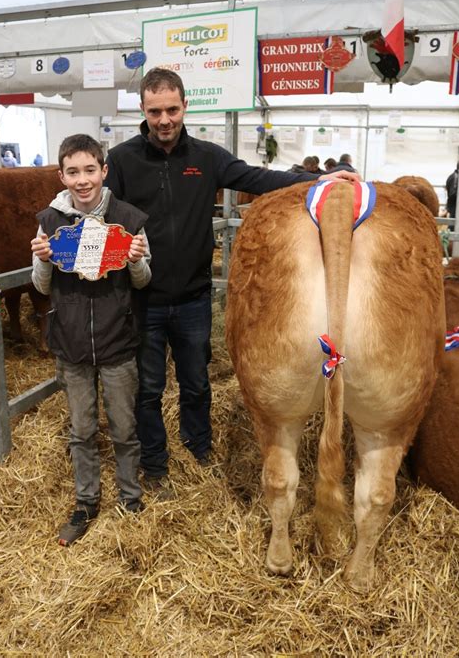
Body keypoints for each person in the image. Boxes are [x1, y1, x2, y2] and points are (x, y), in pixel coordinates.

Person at [105, 67, 359, 495]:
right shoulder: (123, 161)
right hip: (142, 297)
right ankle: (156, 464)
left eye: (171, 109)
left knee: (196, 380)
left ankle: (198, 449)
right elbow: (98, 207)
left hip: (192, 298)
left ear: (185, 107)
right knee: (147, 387)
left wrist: (316, 179)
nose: (164, 119)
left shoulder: (206, 157)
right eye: (154, 111)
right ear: (142, 111)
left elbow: (259, 178)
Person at [31, 134, 152, 545]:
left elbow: (143, 279)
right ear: (61, 175)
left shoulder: (129, 219)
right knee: (81, 429)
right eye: (72, 172)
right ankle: (86, 501)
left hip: (118, 340)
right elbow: (40, 285)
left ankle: (130, 498)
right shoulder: (49, 222)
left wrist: (135, 261)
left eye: (89, 170)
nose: (82, 180)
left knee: (123, 427)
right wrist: (44, 260)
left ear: (103, 171)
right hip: (71, 343)